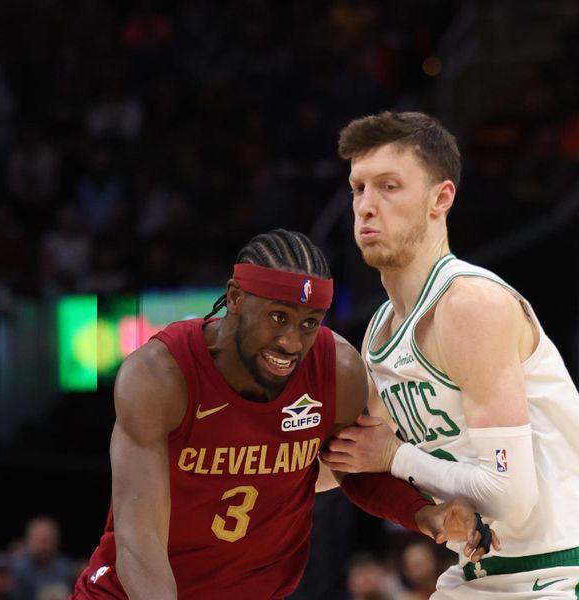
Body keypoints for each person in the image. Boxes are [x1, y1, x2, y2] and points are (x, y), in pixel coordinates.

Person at [70, 229, 496, 600]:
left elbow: (354, 468)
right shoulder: (160, 375)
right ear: (235, 298)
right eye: (279, 318)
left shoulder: (337, 370)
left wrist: (424, 514)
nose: (292, 342)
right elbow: (138, 538)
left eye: (309, 323)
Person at [323, 110, 579, 598]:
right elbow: (351, 462)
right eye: (358, 188)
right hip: (480, 574)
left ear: (441, 198)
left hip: (558, 572)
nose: (366, 206)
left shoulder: (468, 304)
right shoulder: (379, 335)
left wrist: (395, 455)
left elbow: (511, 497)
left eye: (389, 186)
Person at [10, 516, 75, 600]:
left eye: (48, 541)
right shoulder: (16, 568)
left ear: (57, 541)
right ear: (28, 541)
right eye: (39, 541)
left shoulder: (67, 568)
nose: (43, 547)